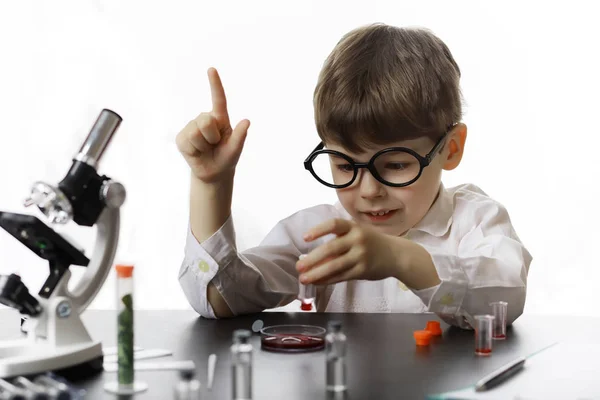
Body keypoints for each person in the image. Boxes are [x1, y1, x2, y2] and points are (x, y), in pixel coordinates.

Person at [176, 23, 532, 329]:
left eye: (396, 165)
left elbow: (504, 299)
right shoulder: (320, 234)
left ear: (451, 149)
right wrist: (211, 185)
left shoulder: (474, 220)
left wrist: (398, 258)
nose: (369, 190)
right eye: (346, 166)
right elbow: (219, 299)